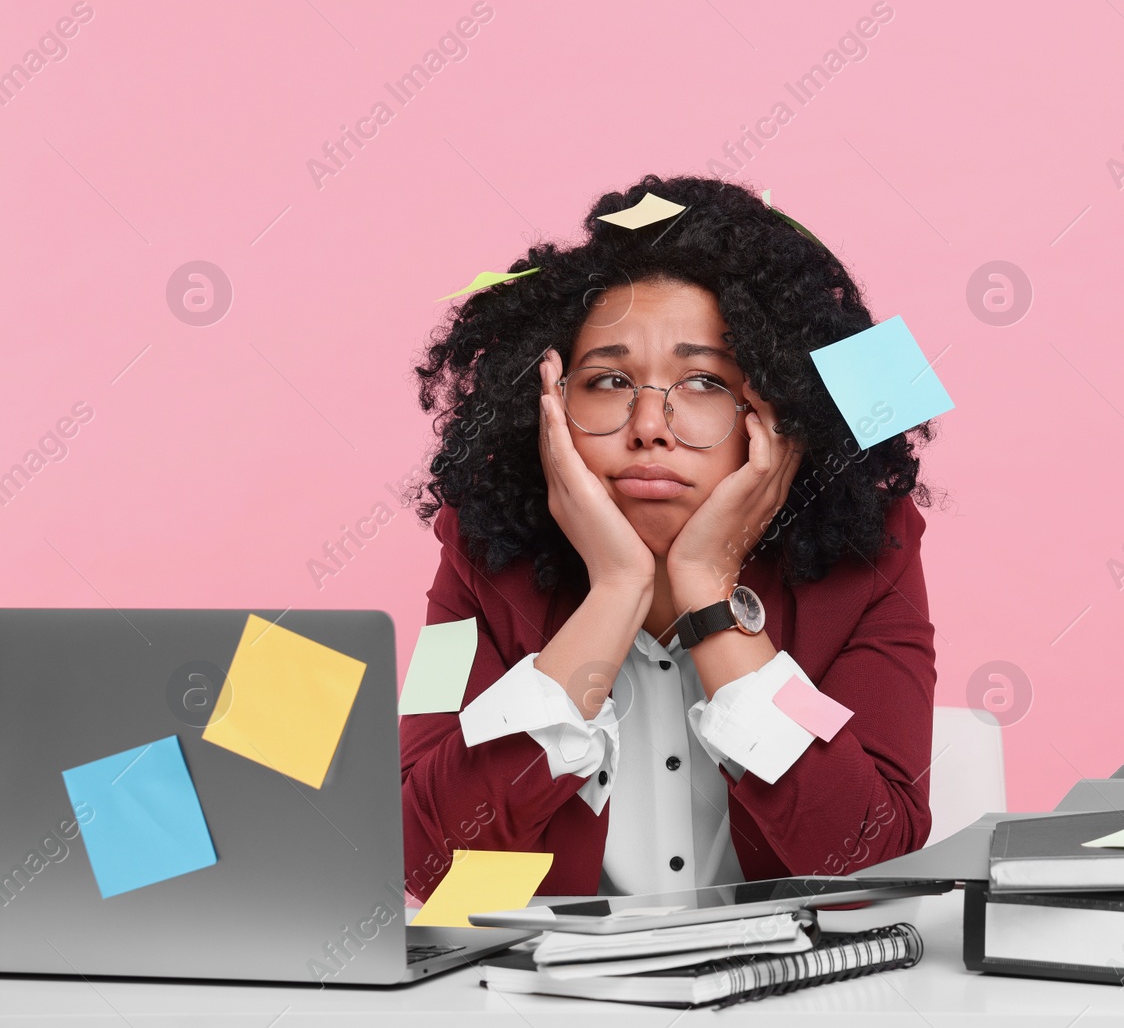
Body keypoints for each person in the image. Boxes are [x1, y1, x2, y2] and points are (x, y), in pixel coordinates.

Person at [399, 174, 941, 899]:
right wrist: (615, 591)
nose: (649, 425)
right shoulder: (475, 555)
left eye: (705, 382)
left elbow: (873, 854)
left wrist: (709, 594)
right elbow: (423, 862)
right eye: (610, 381)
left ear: (776, 411)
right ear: (549, 407)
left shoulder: (876, 551)